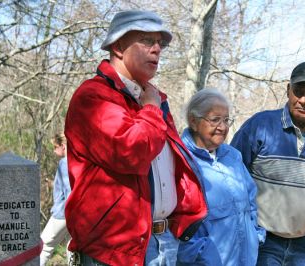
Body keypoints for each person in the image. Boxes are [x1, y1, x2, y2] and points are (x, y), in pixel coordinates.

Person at [64, 10, 207, 266]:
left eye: (159, 43)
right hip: (114, 250)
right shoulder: (93, 97)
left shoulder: (155, 98)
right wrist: (151, 109)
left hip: (164, 241)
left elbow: (173, 162)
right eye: (146, 40)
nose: (157, 50)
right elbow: (130, 152)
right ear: (118, 46)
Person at [231, 62, 305, 266]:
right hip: (260, 241)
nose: (304, 100)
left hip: (304, 247)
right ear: (288, 90)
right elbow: (231, 178)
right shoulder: (260, 126)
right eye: (298, 92)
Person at [176, 89, 266, 265]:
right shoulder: (180, 161)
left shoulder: (233, 156)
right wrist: (203, 257)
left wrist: (256, 236)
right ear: (193, 121)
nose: (223, 127)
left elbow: (251, 201)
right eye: (215, 120)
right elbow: (175, 224)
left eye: (226, 120)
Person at [40, 133, 71, 265]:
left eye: (55, 147)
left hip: (63, 213)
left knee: (44, 247)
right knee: (72, 248)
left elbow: (70, 191)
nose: (53, 150)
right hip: (76, 214)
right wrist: (54, 184)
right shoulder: (78, 161)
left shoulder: (65, 163)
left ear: (63, 146)